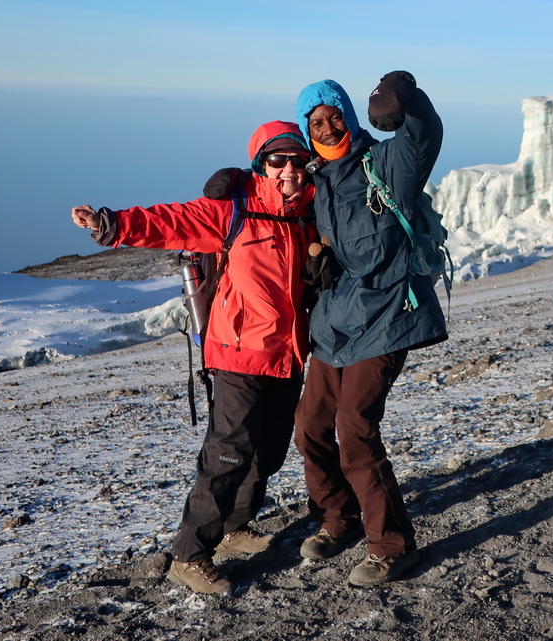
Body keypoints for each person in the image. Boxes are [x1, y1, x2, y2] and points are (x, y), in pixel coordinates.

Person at [70, 121, 318, 595]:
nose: (289, 169)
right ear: (260, 165)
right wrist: (112, 223)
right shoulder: (233, 208)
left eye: (297, 159)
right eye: (277, 160)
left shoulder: (309, 212)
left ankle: (235, 528)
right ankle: (190, 554)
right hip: (238, 350)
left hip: (286, 352)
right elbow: (171, 220)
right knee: (227, 453)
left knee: (268, 451)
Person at [292, 71, 446, 587]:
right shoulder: (315, 182)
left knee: (354, 429)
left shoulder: (384, 165)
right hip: (335, 324)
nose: (328, 126)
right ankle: (339, 518)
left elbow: (423, 136)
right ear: (306, 129)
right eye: (317, 121)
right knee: (311, 427)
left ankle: (392, 546)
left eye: (335, 116)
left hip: (386, 319)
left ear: (351, 117)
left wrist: (405, 94)